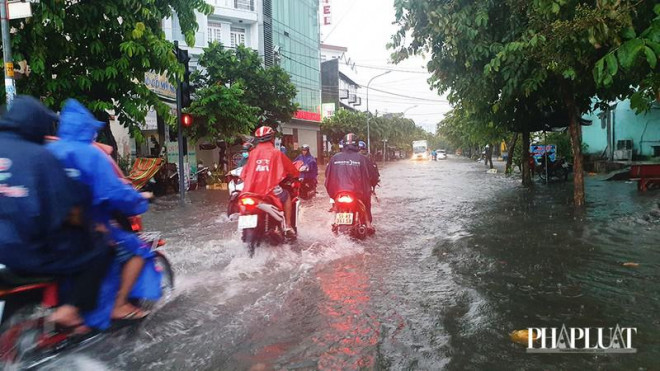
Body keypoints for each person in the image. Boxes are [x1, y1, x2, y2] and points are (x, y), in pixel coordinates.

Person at [0, 96, 112, 331]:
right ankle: (70, 310)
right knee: (99, 248)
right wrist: (92, 228)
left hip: (5, 254)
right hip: (29, 252)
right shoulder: (41, 157)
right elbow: (69, 206)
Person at [47, 99, 152, 322]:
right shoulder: (92, 155)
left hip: (46, 233)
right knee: (138, 251)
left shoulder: (48, 150)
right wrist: (139, 201)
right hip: (89, 227)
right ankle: (120, 304)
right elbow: (116, 193)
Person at [240, 126, 299, 237]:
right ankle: (288, 225)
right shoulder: (276, 153)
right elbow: (292, 170)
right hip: (270, 191)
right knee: (286, 196)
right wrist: (295, 176)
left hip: (251, 192)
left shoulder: (252, 154)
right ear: (272, 138)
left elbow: (244, 173)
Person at [326, 134, 376, 234]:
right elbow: (373, 175)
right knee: (366, 203)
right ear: (357, 145)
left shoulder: (334, 158)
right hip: (356, 192)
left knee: (334, 204)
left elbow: (328, 175)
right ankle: (368, 224)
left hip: (338, 193)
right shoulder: (362, 158)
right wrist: (373, 184)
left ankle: (335, 222)